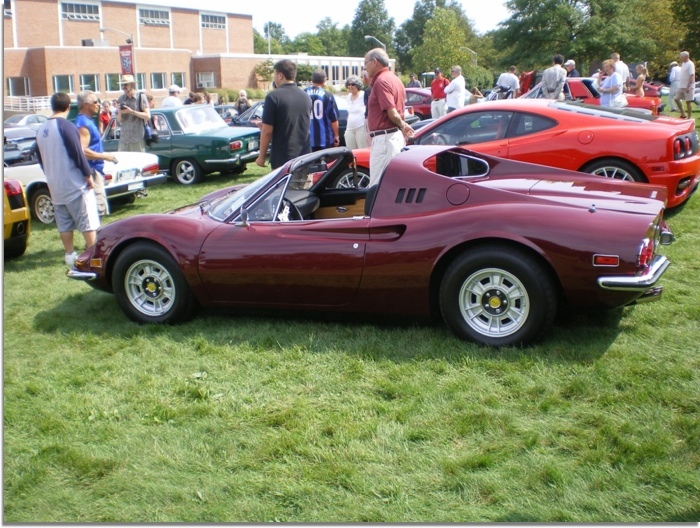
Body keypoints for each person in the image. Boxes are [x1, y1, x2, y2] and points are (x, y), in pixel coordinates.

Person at [35, 92, 99, 267]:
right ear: (69, 107)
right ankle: (93, 253)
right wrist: (87, 174)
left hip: (55, 185)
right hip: (74, 183)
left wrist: (49, 171)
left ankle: (70, 255)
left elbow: (39, 155)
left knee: (64, 223)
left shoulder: (41, 129)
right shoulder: (66, 126)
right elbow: (77, 152)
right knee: (87, 220)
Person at [364, 47, 414, 186]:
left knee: (377, 187)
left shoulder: (381, 81)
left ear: (374, 62)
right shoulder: (395, 79)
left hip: (385, 140)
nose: (364, 68)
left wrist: (403, 125)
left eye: (365, 63)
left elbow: (391, 111)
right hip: (392, 137)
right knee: (392, 185)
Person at [255, 59, 311, 169]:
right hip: (304, 157)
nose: (274, 78)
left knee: (282, 187)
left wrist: (261, 157)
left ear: (280, 75)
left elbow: (267, 131)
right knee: (304, 186)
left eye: (274, 75)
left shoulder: (273, 97)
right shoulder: (306, 97)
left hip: (283, 159)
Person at [75, 90, 117, 217]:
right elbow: (83, 150)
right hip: (91, 170)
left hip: (95, 168)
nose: (98, 104)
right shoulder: (83, 123)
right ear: (85, 104)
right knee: (99, 210)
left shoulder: (88, 120)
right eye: (95, 102)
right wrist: (105, 156)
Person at [305, 69, 340, 151]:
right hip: (325, 139)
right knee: (325, 163)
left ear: (312, 79)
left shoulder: (303, 94)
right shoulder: (328, 95)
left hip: (307, 139)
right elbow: (333, 119)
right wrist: (336, 136)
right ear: (324, 80)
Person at [116, 75, 150, 152]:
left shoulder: (141, 97)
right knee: (123, 163)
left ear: (132, 85)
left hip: (137, 140)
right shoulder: (121, 99)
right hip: (124, 140)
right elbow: (119, 121)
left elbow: (148, 116)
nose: (124, 87)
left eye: (126, 84)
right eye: (122, 85)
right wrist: (119, 112)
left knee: (138, 163)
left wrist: (131, 111)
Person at [344, 76, 367, 149]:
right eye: (348, 84)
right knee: (351, 152)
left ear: (357, 85)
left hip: (361, 127)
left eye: (353, 84)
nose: (350, 86)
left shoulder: (363, 95)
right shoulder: (348, 97)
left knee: (362, 150)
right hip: (350, 128)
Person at [675, 51, 696, 119]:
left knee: (688, 102)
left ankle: (689, 117)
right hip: (681, 85)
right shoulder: (683, 63)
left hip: (688, 86)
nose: (681, 58)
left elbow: (691, 75)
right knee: (676, 99)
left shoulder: (690, 64)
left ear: (686, 57)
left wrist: (688, 86)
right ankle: (683, 113)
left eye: (682, 57)